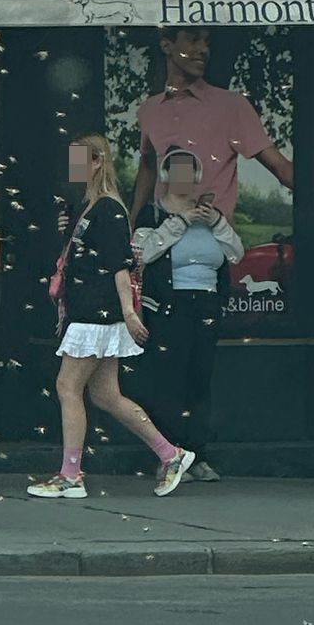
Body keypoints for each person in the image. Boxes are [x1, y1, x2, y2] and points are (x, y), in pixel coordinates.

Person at [29, 134, 194, 501]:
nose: (73, 168)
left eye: (79, 160)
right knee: (105, 394)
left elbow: (121, 266)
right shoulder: (90, 207)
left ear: (97, 162)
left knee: (67, 386)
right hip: (92, 311)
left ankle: (71, 474)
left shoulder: (109, 209)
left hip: (95, 311)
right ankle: (170, 453)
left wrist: (129, 313)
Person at [133, 148, 243, 482]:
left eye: (188, 171)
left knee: (199, 381)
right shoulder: (152, 215)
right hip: (170, 307)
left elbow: (236, 253)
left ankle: (198, 455)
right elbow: (144, 254)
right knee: (169, 381)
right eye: (175, 170)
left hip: (206, 305)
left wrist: (218, 223)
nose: (181, 177)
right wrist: (179, 223)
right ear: (165, 176)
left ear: (196, 178)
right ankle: (169, 453)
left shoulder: (211, 215)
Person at [130, 27, 293, 225]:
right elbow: (148, 166)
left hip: (211, 239)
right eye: (193, 39)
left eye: (206, 42)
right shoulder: (150, 109)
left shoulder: (231, 106)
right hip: (161, 238)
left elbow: (280, 166)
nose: (203, 49)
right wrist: (133, 224)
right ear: (166, 45)